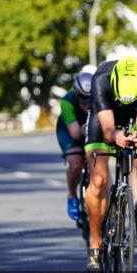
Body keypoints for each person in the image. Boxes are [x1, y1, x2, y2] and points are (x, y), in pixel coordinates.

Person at [83, 55, 137, 273]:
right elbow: (108, 131)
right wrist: (115, 137)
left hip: (134, 116)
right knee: (98, 181)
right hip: (104, 117)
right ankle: (95, 246)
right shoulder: (102, 79)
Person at [56, 65, 95, 223]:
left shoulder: (103, 95)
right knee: (76, 162)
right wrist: (85, 128)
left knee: (99, 161)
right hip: (70, 131)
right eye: (82, 97)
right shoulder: (67, 101)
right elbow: (75, 133)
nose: (86, 101)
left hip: (90, 129)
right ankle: (72, 195)